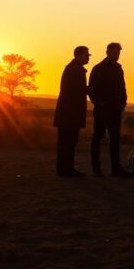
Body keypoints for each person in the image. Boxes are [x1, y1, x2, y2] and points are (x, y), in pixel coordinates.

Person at [88, 42, 133, 178]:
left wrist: (123, 102)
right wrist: (100, 104)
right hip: (103, 110)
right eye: (114, 53)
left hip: (116, 110)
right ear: (107, 52)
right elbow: (92, 90)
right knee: (98, 138)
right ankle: (96, 169)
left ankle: (116, 168)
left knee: (115, 139)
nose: (117, 55)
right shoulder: (99, 68)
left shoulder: (119, 69)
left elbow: (123, 87)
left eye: (118, 53)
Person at [54, 45, 90, 177]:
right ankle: (66, 170)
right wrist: (91, 89)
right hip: (70, 114)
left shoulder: (73, 69)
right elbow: (76, 91)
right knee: (67, 142)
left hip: (68, 113)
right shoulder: (74, 70)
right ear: (78, 55)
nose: (88, 58)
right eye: (86, 55)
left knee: (68, 142)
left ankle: (65, 169)